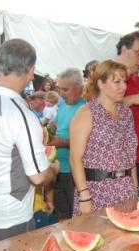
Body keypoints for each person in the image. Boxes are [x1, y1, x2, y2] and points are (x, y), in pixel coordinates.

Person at [0, 39, 59, 246]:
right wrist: (54, 169)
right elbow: (39, 177)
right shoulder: (20, 114)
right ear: (30, 70)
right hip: (8, 217)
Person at [70, 60, 138, 216]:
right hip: (97, 191)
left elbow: (130, 157)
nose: (124, 87)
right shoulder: (86, 113)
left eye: (124, 81)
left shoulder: (126, 113)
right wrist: (84, 196)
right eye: (117, 82)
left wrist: (135, 189)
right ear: (100, 83)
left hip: (126, 189)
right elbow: (75, 158)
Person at [115, 31, 139, 191]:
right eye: (138, 53)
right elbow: (93, 112)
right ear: (123, 49)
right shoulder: (103, 76)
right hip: (112, 160)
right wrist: (129, 100)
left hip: (136, 157)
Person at [49, 68, 86, 220]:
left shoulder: (86, 109)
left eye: (65, 89)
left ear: (78, 88)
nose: (62, 94)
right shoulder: (63, 105)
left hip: (74, 171)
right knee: (61, 214)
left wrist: (63, 142)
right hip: (58, 168)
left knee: (77, 215)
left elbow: (88, 143)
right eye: (59, 89)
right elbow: (54, 126)